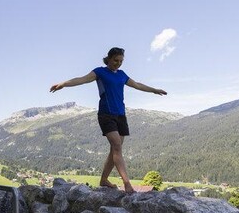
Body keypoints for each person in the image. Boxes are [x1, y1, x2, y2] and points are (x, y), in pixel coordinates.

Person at [50, 47, 167, 193]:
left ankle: (104, 180)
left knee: (115, 149)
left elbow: (137, 85)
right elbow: (82, 79)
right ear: (109, 59)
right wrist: (63, 84)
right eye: (115, 60)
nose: (118, 64)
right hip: (106, 114)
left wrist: (154, 90)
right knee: (117, 146)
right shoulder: (100, 72)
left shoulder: (122, 75)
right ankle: (127, 184)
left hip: (121, 115)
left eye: (121, 61)